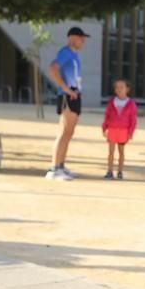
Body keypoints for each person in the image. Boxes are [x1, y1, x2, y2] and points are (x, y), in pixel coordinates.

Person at [46, 26, 89, 181]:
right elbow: (53, 68)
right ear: (72, 37)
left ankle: (61, 166)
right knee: (64, 132)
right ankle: (54, 168)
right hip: (67, 95)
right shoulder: (65, 52)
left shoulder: (74, 55)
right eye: (80, 37)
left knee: (69, 133)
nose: (83, 41)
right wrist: (65, 88)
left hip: (75, 94)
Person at [101, 79, 137, 180]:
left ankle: (120, 171)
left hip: (123, 130)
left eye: (122, 87)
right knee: (111, 152)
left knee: (121, 152)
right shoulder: (111, 102)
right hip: (112, 129)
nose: (119, 89)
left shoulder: (131, 103)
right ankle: (109, 171)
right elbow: (107, 116)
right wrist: (104, 128)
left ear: (127, 89)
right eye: (117, 87)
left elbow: (133, 119)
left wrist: (130, 132)